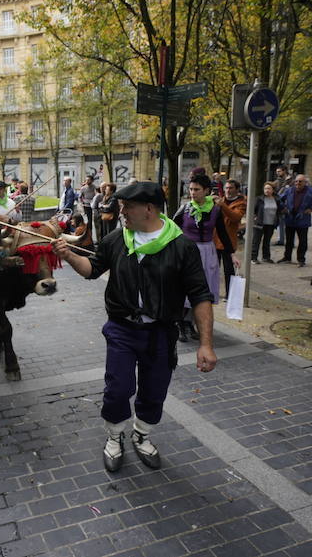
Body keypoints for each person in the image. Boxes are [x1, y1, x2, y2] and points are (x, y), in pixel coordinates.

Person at [51, 181, 218, 472]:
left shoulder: (181, 246)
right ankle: (114, 437)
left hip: (160, 333)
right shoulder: (117, 239)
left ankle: (141, 434)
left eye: (127, 206)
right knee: (118, 388)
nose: (121, 211)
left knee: (154, 390)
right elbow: (93, 270)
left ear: (149, 208)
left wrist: (206, 344)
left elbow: (201, 295)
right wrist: (69, 256)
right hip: (121, 329)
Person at [173, 174, 240, 342]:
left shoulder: (215, 210)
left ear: (207, 191)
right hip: (188, 252)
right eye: (191, 189)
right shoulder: (185, 208)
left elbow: (223, 233)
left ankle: (190, 323)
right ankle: (180, 324)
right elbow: (171, 229)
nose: (193, 192)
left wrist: (232, 254)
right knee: (184, 288)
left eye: (197, 189)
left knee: (201, 291)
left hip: (207, 253)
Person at [277, 174, 312, 267]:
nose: (298, 183)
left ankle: (301, 259)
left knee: (302, 241)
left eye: (300, 181)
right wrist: (283, 208)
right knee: (289, 240)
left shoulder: (311, 191)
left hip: (303, 220)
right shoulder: (289, 190)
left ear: (305, 182)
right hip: (290, 219)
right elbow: (279, 199)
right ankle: (287, 257)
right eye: (296, 181)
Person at [214, 179, 247, 299]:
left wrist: (223, 206)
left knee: (228, 270)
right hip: (215, 239)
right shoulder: (220, 201)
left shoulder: (241, 203)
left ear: (237, 190)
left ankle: (230, 295)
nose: (228, 190)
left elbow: (235, 217)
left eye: (231, 188)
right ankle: (213, 292)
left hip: (228, 241)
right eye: (226, 188)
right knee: (213, 269)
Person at [251, 182, 283, 264]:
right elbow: (253, 210)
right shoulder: (259, 199)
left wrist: (279, 218)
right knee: (256, 241)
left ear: (273, 190)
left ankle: (266, 257)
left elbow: (279, 209)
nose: (267, 190)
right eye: (265, 188)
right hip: (259, 223)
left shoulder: (276, 199)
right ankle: (253, 258)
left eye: (269, 188)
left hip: (271, 224)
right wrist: (254, 217)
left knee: (267, 241)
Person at [272, 167, 293, 245]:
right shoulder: (277, 181)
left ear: (284, 171)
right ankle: (281, 240)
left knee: (289, 224)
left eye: (279, 171)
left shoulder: (291, 181)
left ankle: (288, 241)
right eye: (277, 171)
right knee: (281, 223)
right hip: (280, 204)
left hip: (288, 205)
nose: (277, 173)